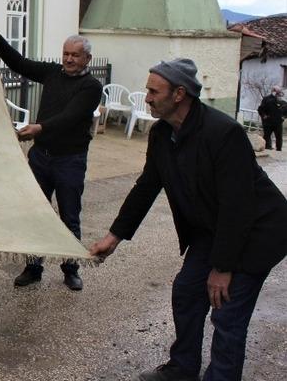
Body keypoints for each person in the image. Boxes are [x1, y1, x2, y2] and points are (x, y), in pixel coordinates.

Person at [90, 58, 287, 381]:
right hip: (213, 229)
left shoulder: (223, 133)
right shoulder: (162, 134)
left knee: (227, 313)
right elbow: (146, 187)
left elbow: (237, 206)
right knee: (187, 292)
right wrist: (114, 237)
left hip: (257, 232)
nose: (147, 97)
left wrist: (222, 268)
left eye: (154, 92)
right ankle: (182, 368)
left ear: (179, 94)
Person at [0, 25, 102, 291]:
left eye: (75, 55)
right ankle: (33, 268)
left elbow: (71, 116)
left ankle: (71, 269)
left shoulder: (91, 87)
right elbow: (19, 63)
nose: (69, 59)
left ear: (87, 59)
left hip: (70, 161)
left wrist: (39, 128)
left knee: (69, 217)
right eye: (66, 53)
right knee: (35, 214)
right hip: (41, 158)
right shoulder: (52, 73)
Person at [257, 86, 285, 151]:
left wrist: (283, 117)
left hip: (278, 122)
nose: (278, 93)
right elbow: (260, 109)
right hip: (268, 121)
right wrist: (264, 116)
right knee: (267, 136)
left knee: (279, 136)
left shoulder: (282, 101)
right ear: (273, 91)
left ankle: (279, 149)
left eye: (279, 92)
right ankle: (267, 147)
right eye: (277, 92)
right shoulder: (266, 99)